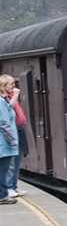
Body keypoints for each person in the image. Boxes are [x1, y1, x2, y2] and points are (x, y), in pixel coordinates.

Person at [6, 79, 27, 197]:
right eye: (10, 85)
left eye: (14, 84)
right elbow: (9, 109)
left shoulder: (11, 96)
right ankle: (9, 187)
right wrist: (16, 95)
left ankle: (14, 186)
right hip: (11, 132)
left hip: (18, 130)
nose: (13, 87)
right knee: (11, 162)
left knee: (17, 160)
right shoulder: (4, 99)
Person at [0, 74, 19, 205]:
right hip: (4, 143)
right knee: (3, 170)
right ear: (3, 86)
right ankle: (2, 195)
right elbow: (4, 123)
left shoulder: (4, 101)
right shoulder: (1, 102)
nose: (13, 87)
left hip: (4, 142)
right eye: (10, 85)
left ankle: (3, 193)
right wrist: (13, 141)